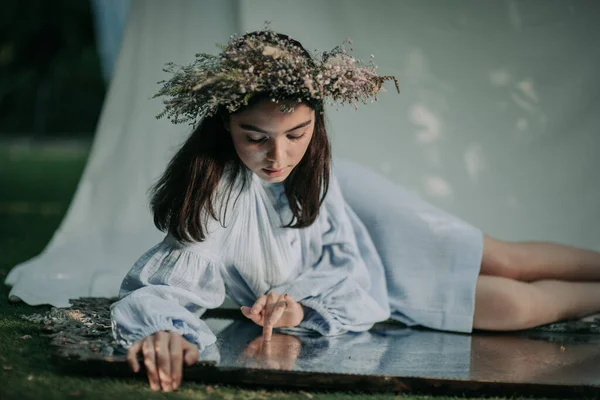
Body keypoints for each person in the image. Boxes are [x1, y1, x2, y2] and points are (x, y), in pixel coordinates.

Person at [110, 28, 600, 392]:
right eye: (255, 138)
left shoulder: (309, 168)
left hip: (351, 206)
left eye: (296, 135)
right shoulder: (219, 194)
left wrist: (300, 301)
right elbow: (164, 291)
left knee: (505, 260)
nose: (277, 157)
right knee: (512, 306)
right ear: (225, 127)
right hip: (335, 282)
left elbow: (345, 254)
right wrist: (165, 331)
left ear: (315, 125)